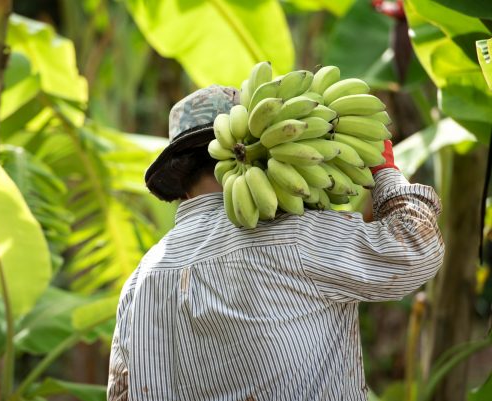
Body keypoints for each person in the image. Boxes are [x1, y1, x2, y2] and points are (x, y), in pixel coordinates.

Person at [107, 85, 444, 401]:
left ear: (180, 186)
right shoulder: (295, 237)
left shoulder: (140, 281)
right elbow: (416, 248)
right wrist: (385, 171)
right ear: (264, 155)